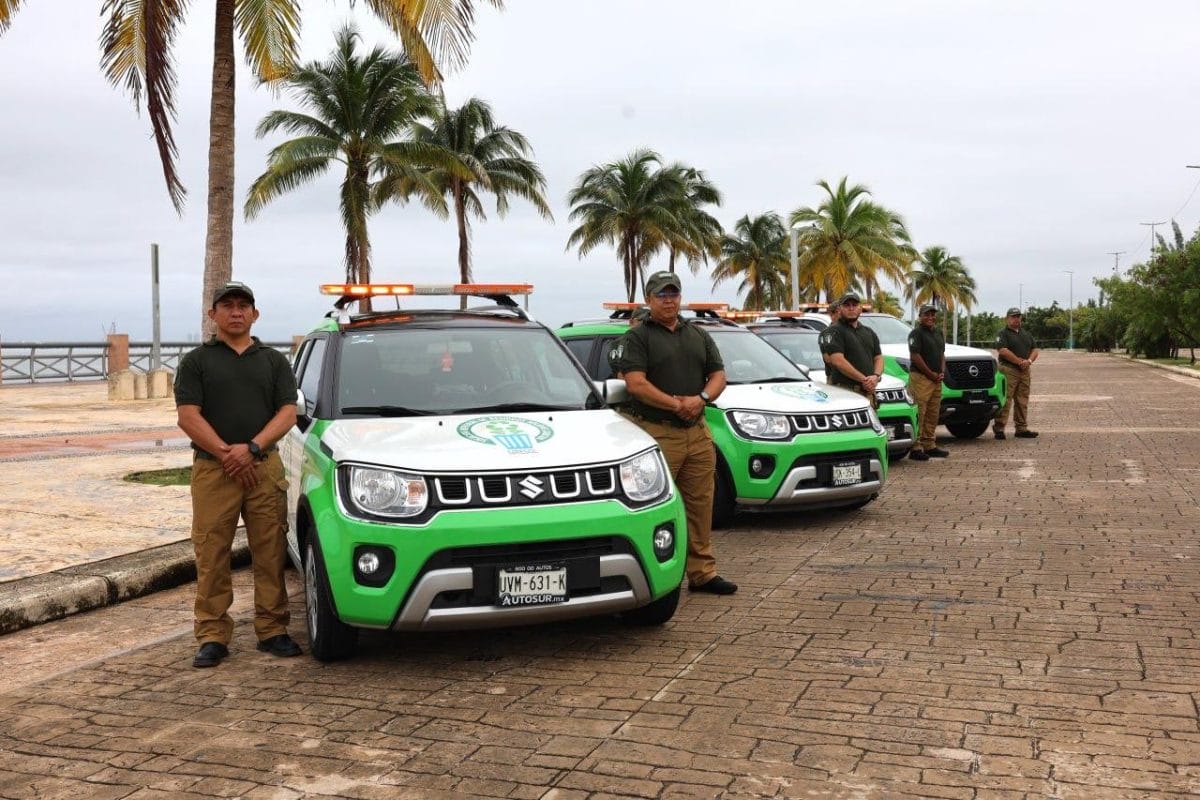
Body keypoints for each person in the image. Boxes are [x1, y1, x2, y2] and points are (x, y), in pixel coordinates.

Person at [174, 281, 302, 668]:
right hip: (214, 472)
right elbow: (188, 416)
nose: (235, 312)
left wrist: (251, 449)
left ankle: (273, 629)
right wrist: (227, 454)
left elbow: (287, 413)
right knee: (211, 553)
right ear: (213, 314)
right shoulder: (197, 361)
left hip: (263, 468)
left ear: (254, 314)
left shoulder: (273, 361)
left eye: (243, 306)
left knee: (270, 551)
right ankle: (212, 635)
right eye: (227, 305)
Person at [616, 271, 736, 595]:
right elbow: (635, 383)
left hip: (697, 432)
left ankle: (703, 573)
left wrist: (701, 399)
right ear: (649, 299)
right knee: (656, 507)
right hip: (658, 433)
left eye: (673, 294)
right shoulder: (638, 337)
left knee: (701, 505)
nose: (668, 300)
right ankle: (659, 574)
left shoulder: (697, 334)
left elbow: (718, 375)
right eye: (661, 295)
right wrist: (674, 404)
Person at [818, 292, 883, 408]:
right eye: (847, 305)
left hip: (868, 392)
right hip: (846, 392)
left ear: (860, 308)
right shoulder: (834, 331)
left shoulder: (869, 332)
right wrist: (865, 380)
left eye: (854, 305)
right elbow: (837, 361)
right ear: (840, 309)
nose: (851, 308)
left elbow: (878, 357)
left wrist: (876, 377)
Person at [907, 304, 949, 460]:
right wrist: (930, 373)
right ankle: (915, 447)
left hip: (936, 379)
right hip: (921, 378)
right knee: (920, 412)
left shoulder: (938, 333)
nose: (930, 317)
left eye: (932, 314)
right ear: (920, 316)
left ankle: (929, 444)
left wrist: (941, 372)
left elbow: (942, 354)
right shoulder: (916, 334)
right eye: (926, 314)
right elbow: (915, 356)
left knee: (933, 412)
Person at [993, 307, 1039, 439]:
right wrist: (1019, 361)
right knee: (1006, 400)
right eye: (1013, 316)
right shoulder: (1003, 333)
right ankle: (999, 428)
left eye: (1018, 316)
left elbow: (1035, 349)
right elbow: (1002, 350)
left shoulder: (1026, 334)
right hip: (1009, 370)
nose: (1016, 319)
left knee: (1022, 400)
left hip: (1024, 371)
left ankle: (1021, 428)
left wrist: (1029, 361)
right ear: (1007, 318)